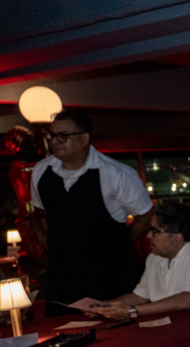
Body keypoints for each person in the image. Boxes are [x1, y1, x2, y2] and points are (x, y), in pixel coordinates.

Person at [30, 110, 153, 315]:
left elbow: (147, 215)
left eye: (63, 136)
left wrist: (120, 241)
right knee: (60, 329)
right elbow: (38, 212)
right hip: (62, 279)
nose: (55, 141)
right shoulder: (41, 171)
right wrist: (45, 240)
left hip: (108, 277)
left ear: (84, 138)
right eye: (52, 135)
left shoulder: (114, 173)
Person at [91, 202, 190, 333]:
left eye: (155, 231)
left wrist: (131, 311)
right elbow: (139, 296)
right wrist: (104, 307)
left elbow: (188, 300)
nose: (148, 235)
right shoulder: (155, 257)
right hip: (178, 331)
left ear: (176, 237)